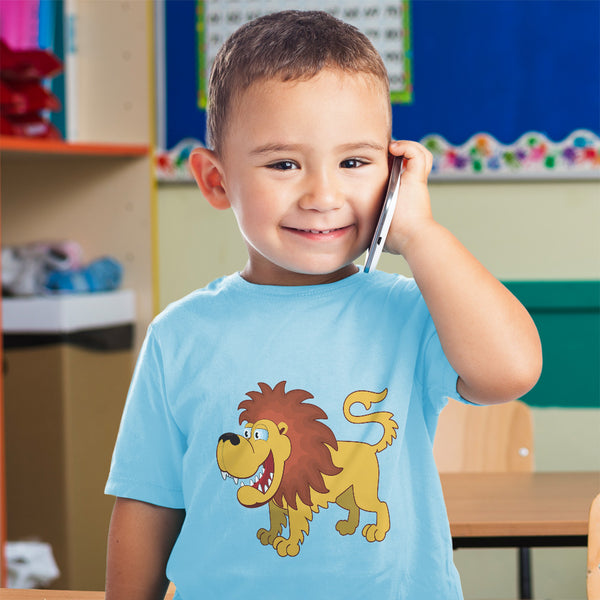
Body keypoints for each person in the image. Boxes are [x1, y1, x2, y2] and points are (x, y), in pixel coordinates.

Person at [105, 10, 542, 600]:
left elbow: (511, 372)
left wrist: (418, 234)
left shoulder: (413, 311)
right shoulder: (179, 334)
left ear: (392, 174)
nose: (323, 196)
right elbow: (148, 502)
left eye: (355, 163)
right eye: (283, 164)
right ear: (216, 181)